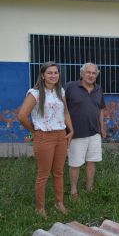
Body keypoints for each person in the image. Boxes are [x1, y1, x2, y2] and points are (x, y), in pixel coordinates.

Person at [18, 62, 74, 219]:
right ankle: (40, 208)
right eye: (49, 73)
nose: (53, 75)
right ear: (42, 75)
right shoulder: (35, 93)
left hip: (61, 136)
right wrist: (35, 130)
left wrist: (71, 130)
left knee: (58, 172)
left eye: (56, 72)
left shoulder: (60, 91)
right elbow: (22, 116)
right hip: (44, 137)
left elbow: (66, 112)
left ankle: (59, 203)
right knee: (43, 174)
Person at [65, 62, 106, 199]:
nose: (91, 75)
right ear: (82, 73)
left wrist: (102, 128)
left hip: (95, 133)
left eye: (94, 73)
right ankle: (74, 191)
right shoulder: (70, 87)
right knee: (75, 163)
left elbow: (100, 109)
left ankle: (89, 188)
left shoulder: (99, 89)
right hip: (76, 133)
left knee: (91, 162)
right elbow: (62, 108)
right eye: (88, 72)